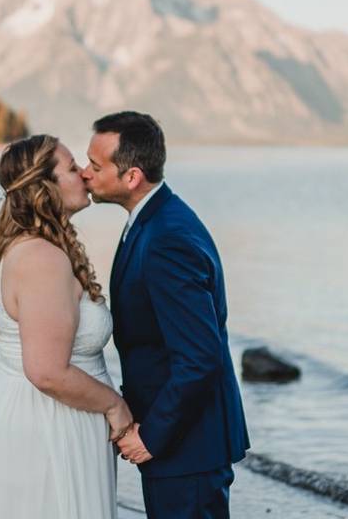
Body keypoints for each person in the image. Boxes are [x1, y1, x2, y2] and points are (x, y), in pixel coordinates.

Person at [83, 111, 249, 519]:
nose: (86, 173)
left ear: (132, 176)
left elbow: (200, 357)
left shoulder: (166, 239)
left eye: (96, 165)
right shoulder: (150, 223)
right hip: (178, 440)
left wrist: (152, 436)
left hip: (186, 444)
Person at [0, 134, 131, 519]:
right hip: (45, 426)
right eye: (73, 168)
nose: (85, 176)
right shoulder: (41, 258)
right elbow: (46, 371)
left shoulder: (41, 248)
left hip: (50, 418)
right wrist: (115, 405)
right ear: (45, 187)